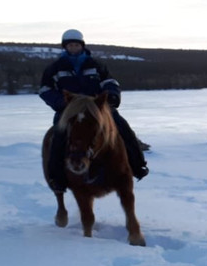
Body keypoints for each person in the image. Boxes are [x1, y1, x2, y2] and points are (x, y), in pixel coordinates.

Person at [40, 28, 149, 190]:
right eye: (70, 45)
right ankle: (57, 178)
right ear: (65, 47)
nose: (73, 48)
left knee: (123, 128)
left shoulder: (96, 65)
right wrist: (60, 103)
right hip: (70, 109)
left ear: (82, 46)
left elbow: (110, 82)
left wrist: (112, 96)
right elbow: (45, 89)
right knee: (58, 136)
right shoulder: (55, 68)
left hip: (97, 108)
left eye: (76, 45)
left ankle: (136, 165)